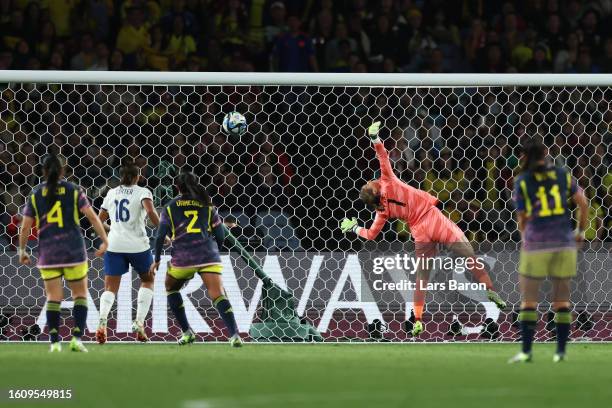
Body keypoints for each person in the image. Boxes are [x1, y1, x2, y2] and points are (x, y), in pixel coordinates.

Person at [339, 122, 506, 336]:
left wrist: (354, 228)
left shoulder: (382, 212)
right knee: (468, 254)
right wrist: (374, 138)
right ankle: (491, 291)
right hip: (433, 218)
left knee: (422, 278)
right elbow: (383, 156)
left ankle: (417, 320)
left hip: (419, 231)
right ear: (376, 187)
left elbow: (371, 235)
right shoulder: (387, 181)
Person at [508, 137, 588, 363]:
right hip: (563, 242)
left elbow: (522, 216)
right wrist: (580, 232)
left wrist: (525, 238)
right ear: (546, 153)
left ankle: (526, 352)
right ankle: (560, 352)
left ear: (524, 156)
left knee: (529, 301)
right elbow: (583, 201)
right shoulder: (563, 175)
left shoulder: (522, 180)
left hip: (536, 243)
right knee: (562, 301)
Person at [18, 155, 108, 352]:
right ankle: (76, 338)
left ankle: (54, 342)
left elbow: (25, 227)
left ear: (42, 172)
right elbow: (92, 217)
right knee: (80, 295)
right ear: (62, 171)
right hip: (73, 251)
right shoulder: (73, 190)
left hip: (48, 253)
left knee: (53, 297)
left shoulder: (36, 193)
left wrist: (22, 250)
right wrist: (105, 240)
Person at [149, 172, 242, 347]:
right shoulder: (207, 205)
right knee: (218, 294)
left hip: (183, 258)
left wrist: (157, 258)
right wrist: (216, 250)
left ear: (177, 187)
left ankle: (187, 332)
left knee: (170, 288)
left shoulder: (170, 207)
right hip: (207, 255)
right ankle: (234, 334)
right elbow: (220, 234)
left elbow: (160, 235)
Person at [95, 161, 161, 344]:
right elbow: (151, 211)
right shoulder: (143, 192)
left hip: (114, 245)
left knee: (110, 288)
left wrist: (113, 228)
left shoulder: (111, 193)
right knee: (148, 280)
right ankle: (139, 323)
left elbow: (99, 221)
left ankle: (102, 321)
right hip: (138, 246)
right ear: (137, 177)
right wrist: (163, 231)